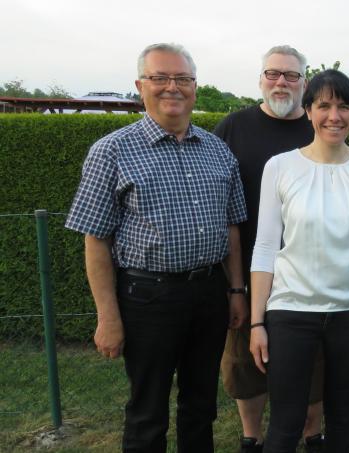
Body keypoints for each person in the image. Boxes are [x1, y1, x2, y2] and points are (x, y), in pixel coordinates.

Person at [65, 42, 247, 453]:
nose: (172, 88)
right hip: (148, 297)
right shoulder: (111, 151)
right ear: (139, 86)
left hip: (208, 294)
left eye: (182, 79)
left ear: (195, 87)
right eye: (160, 78)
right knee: (148, 411)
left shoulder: (218, 150)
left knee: (201, 405)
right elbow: (96, 239)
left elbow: (233, 228)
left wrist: (235, 291)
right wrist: (107, 316)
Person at [248, 69, 349, 453]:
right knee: (286, 420)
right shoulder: (280, 167)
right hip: (291, 310)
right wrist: (257, 322)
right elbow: (265, 247)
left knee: (344, 413)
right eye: (325, 105)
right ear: (309, 110)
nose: (335, 115)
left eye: (344, 106)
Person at [214, 45, 324, 453]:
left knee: (313, 362)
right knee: (246, 361)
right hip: (246, 269)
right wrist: (235, 286)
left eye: (291, 76)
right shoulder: (233, 127)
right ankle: (251, 438)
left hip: (310, 271)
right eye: (273, 74)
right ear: (260, 79)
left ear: (305, 83)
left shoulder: (319, 127)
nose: (281, 82)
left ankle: (313, 435)